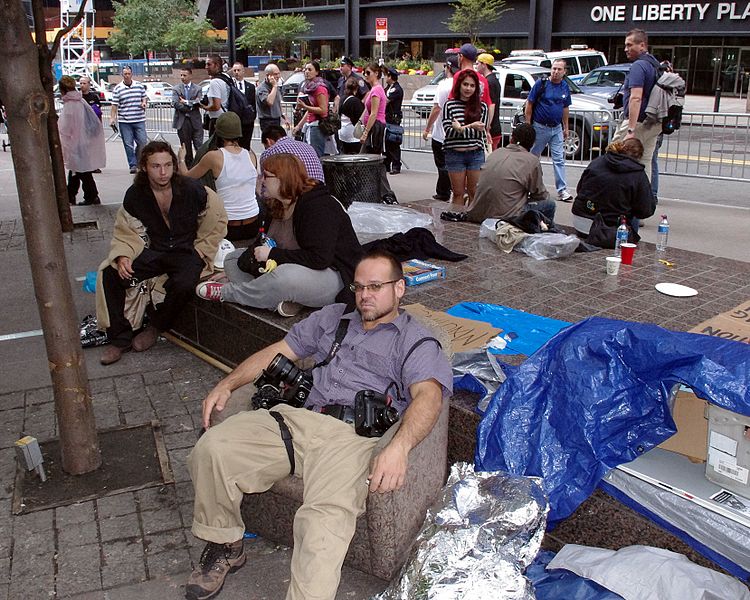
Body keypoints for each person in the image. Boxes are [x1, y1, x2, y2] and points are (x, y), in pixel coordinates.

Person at [185, 250, 453, 600]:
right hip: (298, 419)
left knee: (322, 523)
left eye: (376, 286)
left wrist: (399, 447)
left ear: (400, 288)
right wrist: (228, 382)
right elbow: (278, 351)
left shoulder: (414, 340)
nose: (365, 295)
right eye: (359, 286)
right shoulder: (333, 319)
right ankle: (225, 545)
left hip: (351, 439)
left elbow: (429, 398)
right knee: (213, 449)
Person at [97, 141, 227, 366]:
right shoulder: (136, 195)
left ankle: (157, 326)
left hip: (186, 251)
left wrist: (201, 250)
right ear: (145, 167)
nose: (163, 172)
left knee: (185, 283)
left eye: (168, 165)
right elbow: (125, 229)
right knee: (111, 274)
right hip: (154, 251)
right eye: (156, 166)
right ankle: (120, 339)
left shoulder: (191, 189)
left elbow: (218, 217)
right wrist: (123, 256)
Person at [195, 153, 362, 318]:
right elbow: (263, 242)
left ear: (283, 179)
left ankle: (228, 292)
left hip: (334, 276)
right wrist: (253, 255)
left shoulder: (317, 207)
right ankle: (284, 301)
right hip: (287, 268)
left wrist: (272, 254)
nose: (261, 180)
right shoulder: (276, 204)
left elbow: (319, 259)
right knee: (232, 260)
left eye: (266, 176)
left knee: (283, 278)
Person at [444, 123, 553, 224]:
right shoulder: (532, 161)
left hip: (477, 213)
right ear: (532, 144)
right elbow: (540, 194)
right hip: (506, 217)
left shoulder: (496, 153)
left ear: (511, 139)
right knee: (549, 205)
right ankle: (541, 235)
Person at [178, 112, 259, 243]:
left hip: (228, 226)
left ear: (218, 132)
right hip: (253, 223)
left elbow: (187, 177)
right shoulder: (251, 155)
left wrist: (181, 158)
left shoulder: (213, 156)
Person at [572, 138, 655, 238]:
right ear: (639, 157)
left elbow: (579, 189)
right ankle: (627, 246)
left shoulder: (598, 161)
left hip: (580, 222)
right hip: (609, 230)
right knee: (633, 215)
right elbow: (646, 210)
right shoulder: (638, 174)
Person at [611, 29, 662, 181]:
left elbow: (636, 98)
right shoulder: (655, 64)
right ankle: (643, 199)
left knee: (613, 156)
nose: (626, 49)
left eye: (629, 45)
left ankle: (612, 197)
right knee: (645, 162)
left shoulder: (639, 66)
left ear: (642, 45)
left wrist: (631, 129)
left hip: (637, 122)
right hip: (653, 121)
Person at [524, 59, 573, 202]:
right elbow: (530, 103)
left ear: (564, 72)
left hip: (556, 128)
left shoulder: (564, 86)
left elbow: (565, 107)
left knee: (559, 159)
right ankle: (528, 187)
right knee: (533, 158)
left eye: (559, 69)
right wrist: (528, 125)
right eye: (554, 69)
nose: (556, 72)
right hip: (540, 127)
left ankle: (562, 190)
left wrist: (566, 127)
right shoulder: (542, 83)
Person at [442, 69, 489, 206]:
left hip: (475, 154)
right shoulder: (449, 105)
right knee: (458, 193)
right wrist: (470, 127)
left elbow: (480, 133)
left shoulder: (482, 107)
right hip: (454, 153)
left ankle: (472, 223)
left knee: (474, 192)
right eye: (465, 84)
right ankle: (456, 221)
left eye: (472, 85)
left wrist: (460, 128)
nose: (468, 88)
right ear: (459, 85)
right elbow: (449, 131)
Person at [58, 75, 105, 206]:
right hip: (83, 142)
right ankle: (72, 196)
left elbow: (66, 127)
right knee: (78, 170)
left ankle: (89, 196)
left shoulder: (70, 105)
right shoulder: (80, 101)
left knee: (81, 171)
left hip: (76, 143)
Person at [423, 55, 460, 201]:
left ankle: (445, 191)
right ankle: (448, 189)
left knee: (442, 165)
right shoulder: (462, 83)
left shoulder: (444, 85)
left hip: (441, 133)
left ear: (448, 67)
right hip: (457, 132)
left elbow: (436, 109)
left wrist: (427, 128)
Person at [359, 64, 397, 202]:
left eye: (368, 73)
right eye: (364, 73)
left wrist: (365, 132)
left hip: (375, 128)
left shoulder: (376, 91)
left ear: (376, 73)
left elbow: (374, 114)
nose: (366, 75)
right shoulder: (375, 90)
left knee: (369, 160)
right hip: (374, 127)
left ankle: (384, 193)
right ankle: (381, 193)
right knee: (372, 161)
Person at [291, 61, 334, 157]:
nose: (306, 72)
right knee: (309, 155)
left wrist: (305, 106)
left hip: (317, 127)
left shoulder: (320, 88)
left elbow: (323, 110)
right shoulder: (308, 87)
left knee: (316, 156)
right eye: (305, 69)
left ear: (317, 72)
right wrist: (299, 126)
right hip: (310, 125)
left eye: (310, 69)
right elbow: (310, 111)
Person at [110, 66, 147, 174]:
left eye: (128, 74)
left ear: (131, 74)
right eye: (125, 74)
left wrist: (144, 103)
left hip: (139, 119)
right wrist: (112, 118)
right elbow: (114, 105)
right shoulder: (118, 88)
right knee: (128, 144)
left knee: (142, 142)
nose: (127, 76)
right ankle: (133, 164)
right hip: (125, 121)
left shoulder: (139, 86)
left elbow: (144, 97)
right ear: (122, 75)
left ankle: (139, 160)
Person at [259, 125, 325, 183]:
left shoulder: (269, 152)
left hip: (297, 193)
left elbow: (265, 181)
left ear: (268, 141)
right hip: (320, 189)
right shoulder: (307, 146)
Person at [454, 43, 493, 132]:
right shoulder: (483, 79)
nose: (468, 88)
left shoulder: (459, 76)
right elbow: (489, 105)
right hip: (478, 128)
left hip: (460, 126)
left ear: (461, 57)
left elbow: (452, 97)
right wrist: (487, 129)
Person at [172, 67, 204, 168]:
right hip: (182, 121)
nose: (182, 77)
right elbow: (176, 103)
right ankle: (188, 168)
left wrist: (186, 102)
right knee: (186, 147)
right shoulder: (176, 89)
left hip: (195, 121)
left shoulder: (198, 89)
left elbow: (199, 102)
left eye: (184, 75)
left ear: (190, 76)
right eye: (181, 75)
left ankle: (200, 166)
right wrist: (191, 107)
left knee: (199, 146)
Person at [475, 53, 503, 149]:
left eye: (478, 63)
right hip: (494, 126)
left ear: (484, 64)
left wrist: (487, 127)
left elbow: (491, 105)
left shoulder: (489, 82)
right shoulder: (494, 79)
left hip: (492, 128)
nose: (476, 66)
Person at [256, 63, 291, 134]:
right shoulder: (262, 88)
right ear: (268, 75)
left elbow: (277, 102)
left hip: (276, 120)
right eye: (275, 74)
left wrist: (284, 116)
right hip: (267, 121)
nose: (278, 76)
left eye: (278, 74)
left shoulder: (274, 86)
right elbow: (270, 102)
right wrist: (274, 86)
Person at [231, 61, 257, 150]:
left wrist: (252, 117)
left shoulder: (251, 87)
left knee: (246, 146)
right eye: (234, 70)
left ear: (243, 71)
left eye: (238, 70)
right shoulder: (230, 87)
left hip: (248, 123)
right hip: (235, 122)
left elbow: (253, 103)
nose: (236, 72)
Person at [384, 67, 404, 175]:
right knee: (387, 142)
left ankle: (396, 165)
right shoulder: (388, 87)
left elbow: (385, 100)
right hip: (387, 118)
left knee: (394, 142)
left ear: (390, 76)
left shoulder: (396, 89)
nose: (385, 77)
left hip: (393, 119)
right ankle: (387, 164)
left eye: (387, 75)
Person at [337, 77, 365, 154]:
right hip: (353, 134)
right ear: (356, 89)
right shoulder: (356, 102)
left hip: (342, 132)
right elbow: (359, 118)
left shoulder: (342, 99)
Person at [203, 54, 229, 136]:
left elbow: (216, 106)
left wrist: (204, 107)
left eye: (209, 64)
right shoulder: (227, 77)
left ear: (217, 65)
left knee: (215, 147)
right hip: (228, 118)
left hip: (217, 121)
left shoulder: (215, 82)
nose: (206, 67)